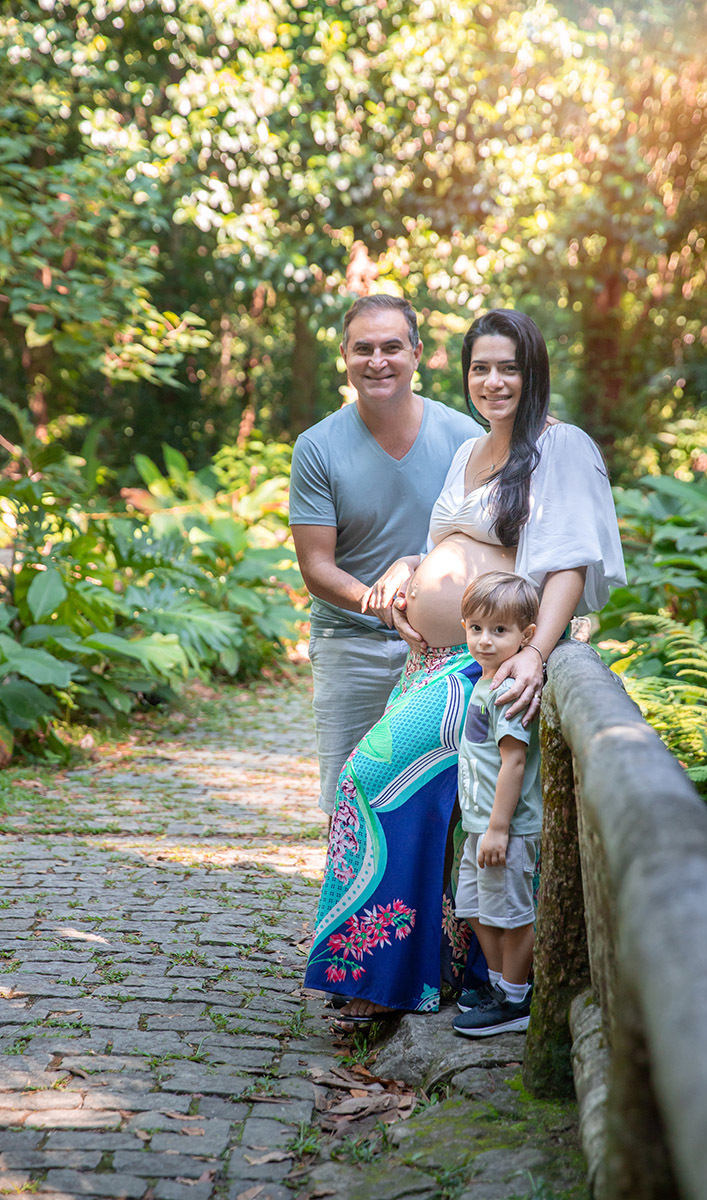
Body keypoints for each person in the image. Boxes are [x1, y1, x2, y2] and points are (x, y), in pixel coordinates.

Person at [303, 308, 626, 1028]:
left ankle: (375, 974)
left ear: (532, 370)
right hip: (432, 660)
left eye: (508, 366)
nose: (494, 380)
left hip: (484, 668)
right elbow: (443, 544)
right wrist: (404, 565)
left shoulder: (557, 446)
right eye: (481, 367)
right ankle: (428, 979)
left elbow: (567, 564)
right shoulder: (470, 451)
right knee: (435, 812)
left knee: (368, 783)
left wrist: (536, 654)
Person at [289, 295, 481, 819]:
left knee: (448, 801)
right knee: (350, 797)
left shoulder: (466, 438)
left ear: (417, 354)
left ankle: (433, 905)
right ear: (346, 358)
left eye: (392, 347)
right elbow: (317, 567)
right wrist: (383, 606)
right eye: (364, 349)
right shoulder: (317, 446)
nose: (378, 361)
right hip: (351, 642)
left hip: (449, 649)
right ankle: (354, 899)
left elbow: (489, 540)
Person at [451, 571, 542, 1038]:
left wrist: (498, 829)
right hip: (480, 822)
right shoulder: (485, 681)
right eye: (476, 628)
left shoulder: (508, 691)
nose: (485, 641)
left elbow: (514, 761)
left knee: (511, 911)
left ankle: (515, 998)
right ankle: (496, 985)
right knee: (472, 903)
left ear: (527, 637)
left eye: (500, 631)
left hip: (504, 826)